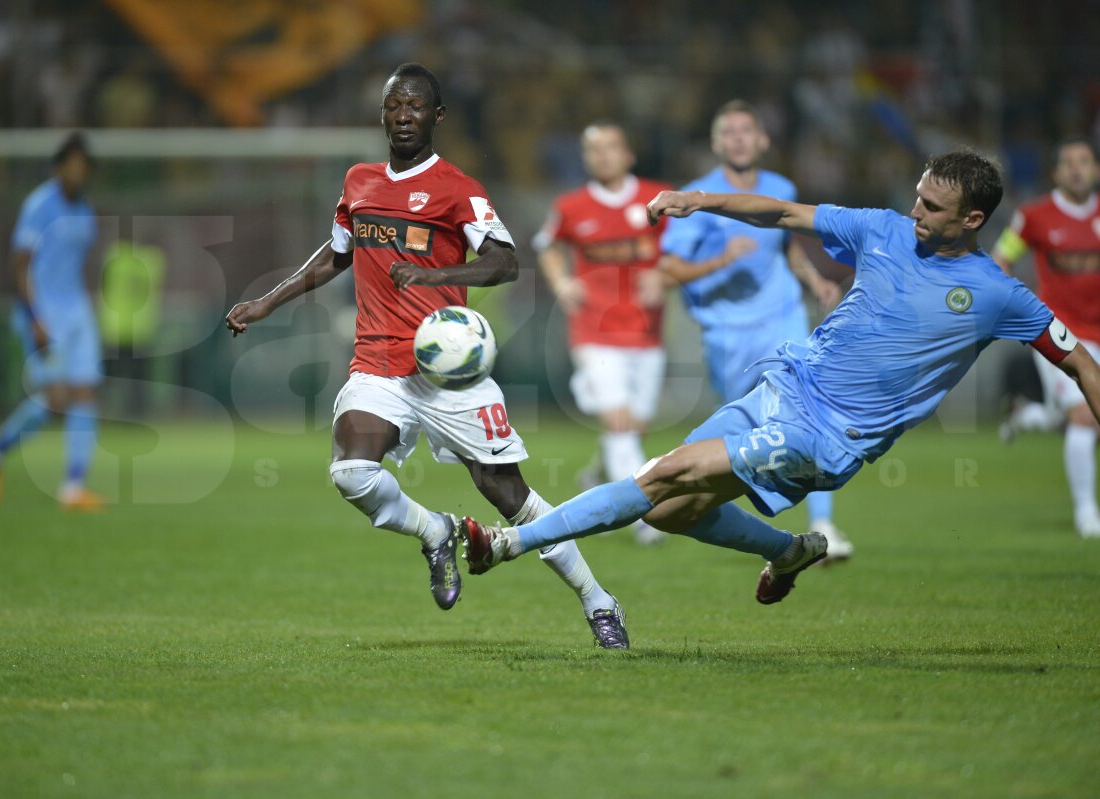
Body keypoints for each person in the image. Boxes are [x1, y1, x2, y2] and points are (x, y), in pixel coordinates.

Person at [457, 150, 1100, 602]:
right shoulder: (883, 229)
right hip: (787, 383)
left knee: (664, 474)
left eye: (932, 207)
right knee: (670, 513)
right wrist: (698, 200)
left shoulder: (999, 295)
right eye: (917, 197)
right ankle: (787, 550)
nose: (916, 212)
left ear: (973, 220)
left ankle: (510, 544)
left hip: (829, 435)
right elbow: (784, 214)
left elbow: (1078, 358)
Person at [224, 64, 629, 647]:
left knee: (509, 497)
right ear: (383, 114)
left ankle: (598, 601)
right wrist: (267, 301)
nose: (404, 116)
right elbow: (336, 255)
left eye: (415, 107)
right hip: (377, 363)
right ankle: (436, 531)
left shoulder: (457, 188)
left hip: (450, 372)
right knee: (352, 471)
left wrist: (435, 272)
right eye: (394, 106)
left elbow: (504, 261)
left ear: (436, 117)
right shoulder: (359, 180)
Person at [658, 100, 852, 560]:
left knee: (812, 414)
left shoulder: (780, 187)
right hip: (727, 332)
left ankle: (824, 526)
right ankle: (722, 520)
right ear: (715, 143)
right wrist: (723, 259)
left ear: (763, 140)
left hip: (782, 317)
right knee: (739, 438)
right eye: (730, 131)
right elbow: (668, 269)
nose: (740, 138)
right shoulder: (696, 196)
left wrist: (815, 281)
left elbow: (786, 246)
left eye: (748, 130)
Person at [534, 121, 671, 546]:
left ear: (629, 154)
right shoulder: (572, 206)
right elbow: (546, 244)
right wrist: (561, 282)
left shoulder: (658, 198)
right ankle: (644, 519)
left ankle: (599, 471)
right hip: (593, 332)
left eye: (611, 147)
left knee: (634, 428)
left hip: (646, 334)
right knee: (618, 423)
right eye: (593, 149)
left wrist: (666, 276)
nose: (603, 156)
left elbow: (686, 248)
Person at [0, 132, 104, 511]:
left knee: (86, 394)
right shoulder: (39, 205)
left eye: (85, 166)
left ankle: (73, 487)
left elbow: (80, 263)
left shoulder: (85, 210)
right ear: (59, 167)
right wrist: (34, 317)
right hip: (44, 311)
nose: (79, 172)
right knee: (54, 401)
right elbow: (20, 265)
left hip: (77, 310)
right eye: (73, 164)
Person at [992, 138, 1100, 537]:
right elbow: (1003, 258)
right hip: (1059, 332)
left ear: (1096, 170)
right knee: (1085, 415)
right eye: (1067, 162)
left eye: (1084, 161)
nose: (1076, 168)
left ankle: (1023, 414)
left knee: (1066, 417)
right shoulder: (1035, 216)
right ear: (1055, 173)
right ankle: (1088, 515)